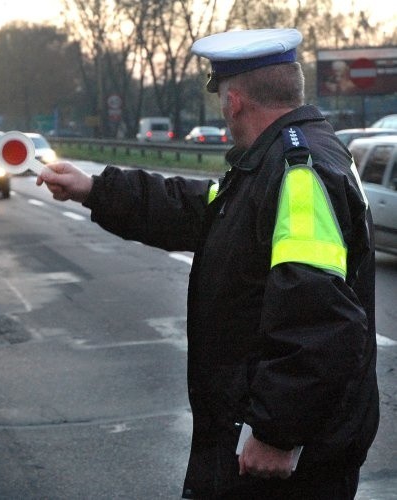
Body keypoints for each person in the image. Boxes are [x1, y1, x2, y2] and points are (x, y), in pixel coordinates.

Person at [36, 28, 379, 499]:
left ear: (234, 101)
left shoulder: (296, 171)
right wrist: (95, 189)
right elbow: (201, 210)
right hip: (261, 437)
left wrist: (277, 434)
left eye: (221, 97)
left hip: (282, 461)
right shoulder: (291, 157)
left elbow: (320, 319)